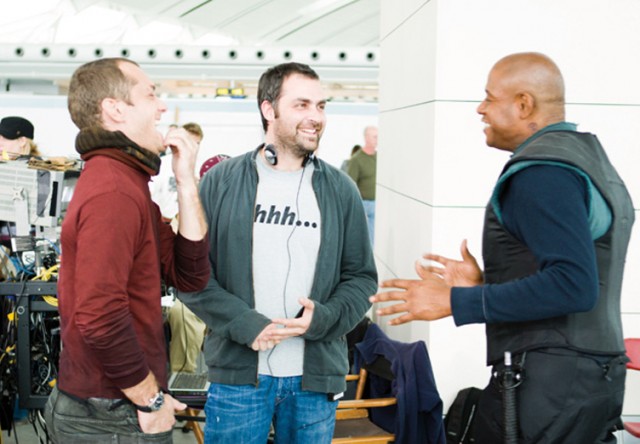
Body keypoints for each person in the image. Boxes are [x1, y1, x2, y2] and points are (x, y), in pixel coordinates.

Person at [371, 52, 634, 443]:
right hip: (587, 379)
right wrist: (484, 285)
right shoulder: (586, 161)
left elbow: (573, 285)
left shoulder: (542, 173)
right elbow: (573, 271)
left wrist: (454, 301)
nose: (480, 109)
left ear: (523, 104)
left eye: (489, 98)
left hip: (552, 386)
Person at [178, 62, 378, 444]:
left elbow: (362, 279)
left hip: (315, 380)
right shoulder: (220, 183)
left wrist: (325, 318)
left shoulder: (341, 190)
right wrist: (245, 323)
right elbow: (190, 277)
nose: (316, 117)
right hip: (238, 379)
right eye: (302, 105)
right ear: (268, 109)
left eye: (321, 106)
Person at [44, 57, 211, 443]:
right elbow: (100, 314)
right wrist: (151, 400)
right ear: (115, 109)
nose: (162, 107)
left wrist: (186, 182)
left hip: (115, 408)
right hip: (111, 414)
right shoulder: (114, 191)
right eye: (150, 95)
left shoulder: (128, 183)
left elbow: (189, 274)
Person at [167, 152, 230, 374]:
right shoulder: (187, 213)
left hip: (235, 293)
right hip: (198, 291)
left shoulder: (249, 212)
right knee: (182, 311)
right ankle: (182, 378)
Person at [151, 122, 204, 222]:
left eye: (197, 143)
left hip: (186, 222)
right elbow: (149, 192)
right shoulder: (162, 164)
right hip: (160, 220)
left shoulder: (200, 167)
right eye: (190, 142)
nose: (193, 147)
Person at [347, 126, 377, 245]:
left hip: (376, 203)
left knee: (373, 239)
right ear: (366, 138)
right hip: (363, 204)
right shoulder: (357, 159)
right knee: (362, 239)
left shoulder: (379, 158)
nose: (377, 140)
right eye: (375, 137)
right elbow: (351, 184)